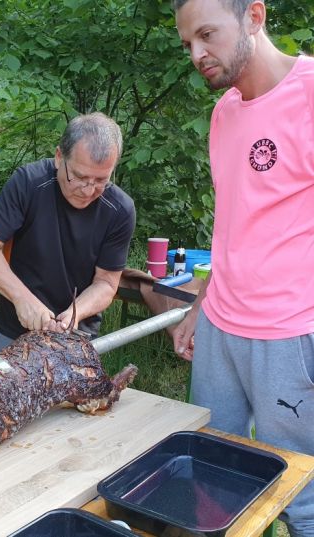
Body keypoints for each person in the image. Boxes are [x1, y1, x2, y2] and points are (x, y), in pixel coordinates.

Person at [171, 1, 314, 535]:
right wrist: (199, 306)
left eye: (208, 34)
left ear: (254, 15)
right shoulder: (225, 111)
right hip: (219, 331)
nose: (197, 54)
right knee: (209, 478)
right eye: (188, 43)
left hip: (289, 336)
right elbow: (231, 224)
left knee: (302, 495)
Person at [0, 112, 135, 352]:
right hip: (15, 334)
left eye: (100, 180)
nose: (88, 190)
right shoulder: (29, 183)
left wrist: (76, 313)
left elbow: (107, 283)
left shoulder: (119, 209)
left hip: (76, 338)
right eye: (79, 177)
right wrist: (22, 299)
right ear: (59, 157)